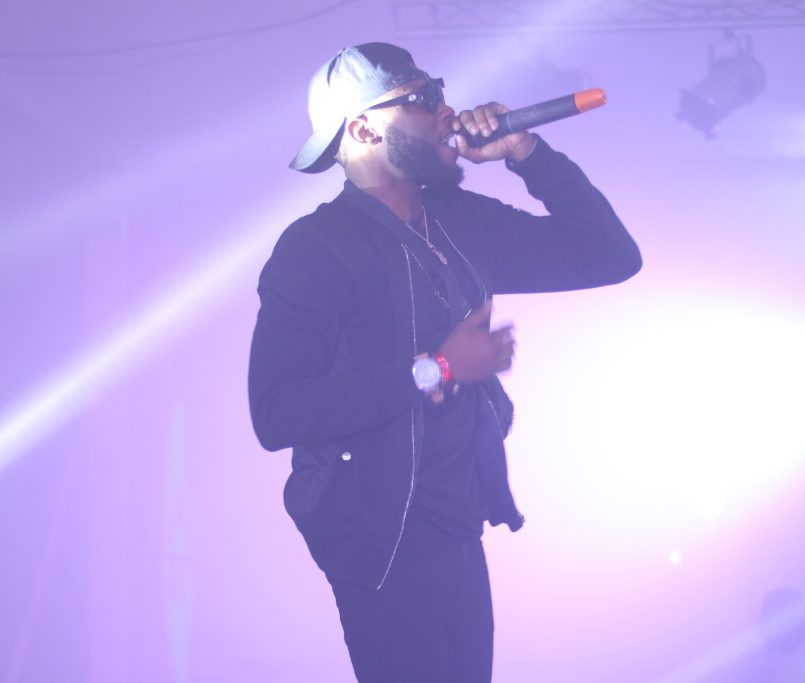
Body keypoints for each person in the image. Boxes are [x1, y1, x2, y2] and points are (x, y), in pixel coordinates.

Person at [247, 42, 641, 682]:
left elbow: (610, 256)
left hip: (459, 525)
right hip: (380, 538)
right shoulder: (316, 248)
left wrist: (526, 153)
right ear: (364, 128)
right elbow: (276, 412)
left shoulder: (460, 221)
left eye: (439, 91)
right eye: (422, 99)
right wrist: (438, 368)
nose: (446, 111)